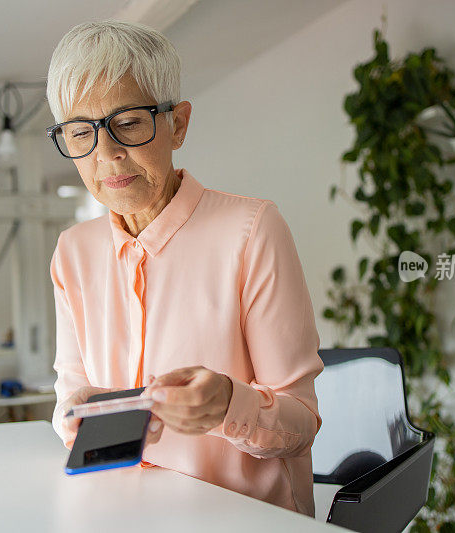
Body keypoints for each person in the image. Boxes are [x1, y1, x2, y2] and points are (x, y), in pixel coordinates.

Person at [46, 20, 324, 518]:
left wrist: (227, 405)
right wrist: (81, 415)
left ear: (177, 124)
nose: (106, 153)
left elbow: (301, 422)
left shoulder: (252, 229)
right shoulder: (72, 252)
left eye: (128, 121)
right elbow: (68, 406)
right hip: (125, 514)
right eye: (81, 131)